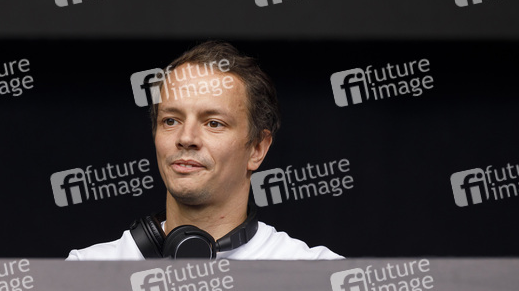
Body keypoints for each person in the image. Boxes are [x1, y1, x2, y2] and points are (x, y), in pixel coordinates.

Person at [67, 41, 341, 260]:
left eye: (213, 123)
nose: (186, 138)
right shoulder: (84, 273)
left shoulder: (319, 277)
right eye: (171, 120)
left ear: (257, 149)